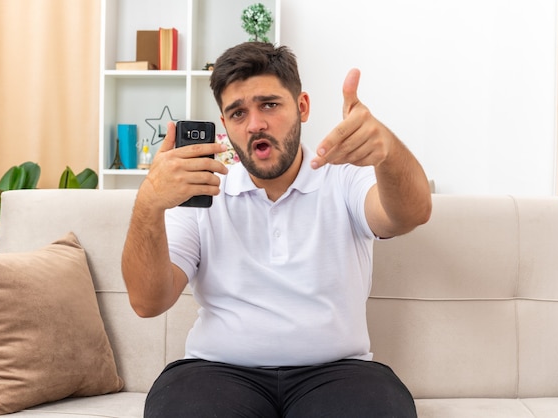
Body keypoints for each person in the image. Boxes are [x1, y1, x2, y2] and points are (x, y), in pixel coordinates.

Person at [122, 41, 432, 418]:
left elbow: (410, 214)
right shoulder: (200, 192)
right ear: (225, 126)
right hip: (215, 373)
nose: (255, 124)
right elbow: (147, 302)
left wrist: (388, 152)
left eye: (269, 104)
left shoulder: (345, 178)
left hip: (339, 374)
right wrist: (147, 204)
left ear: (302, 106)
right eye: (238, 113)